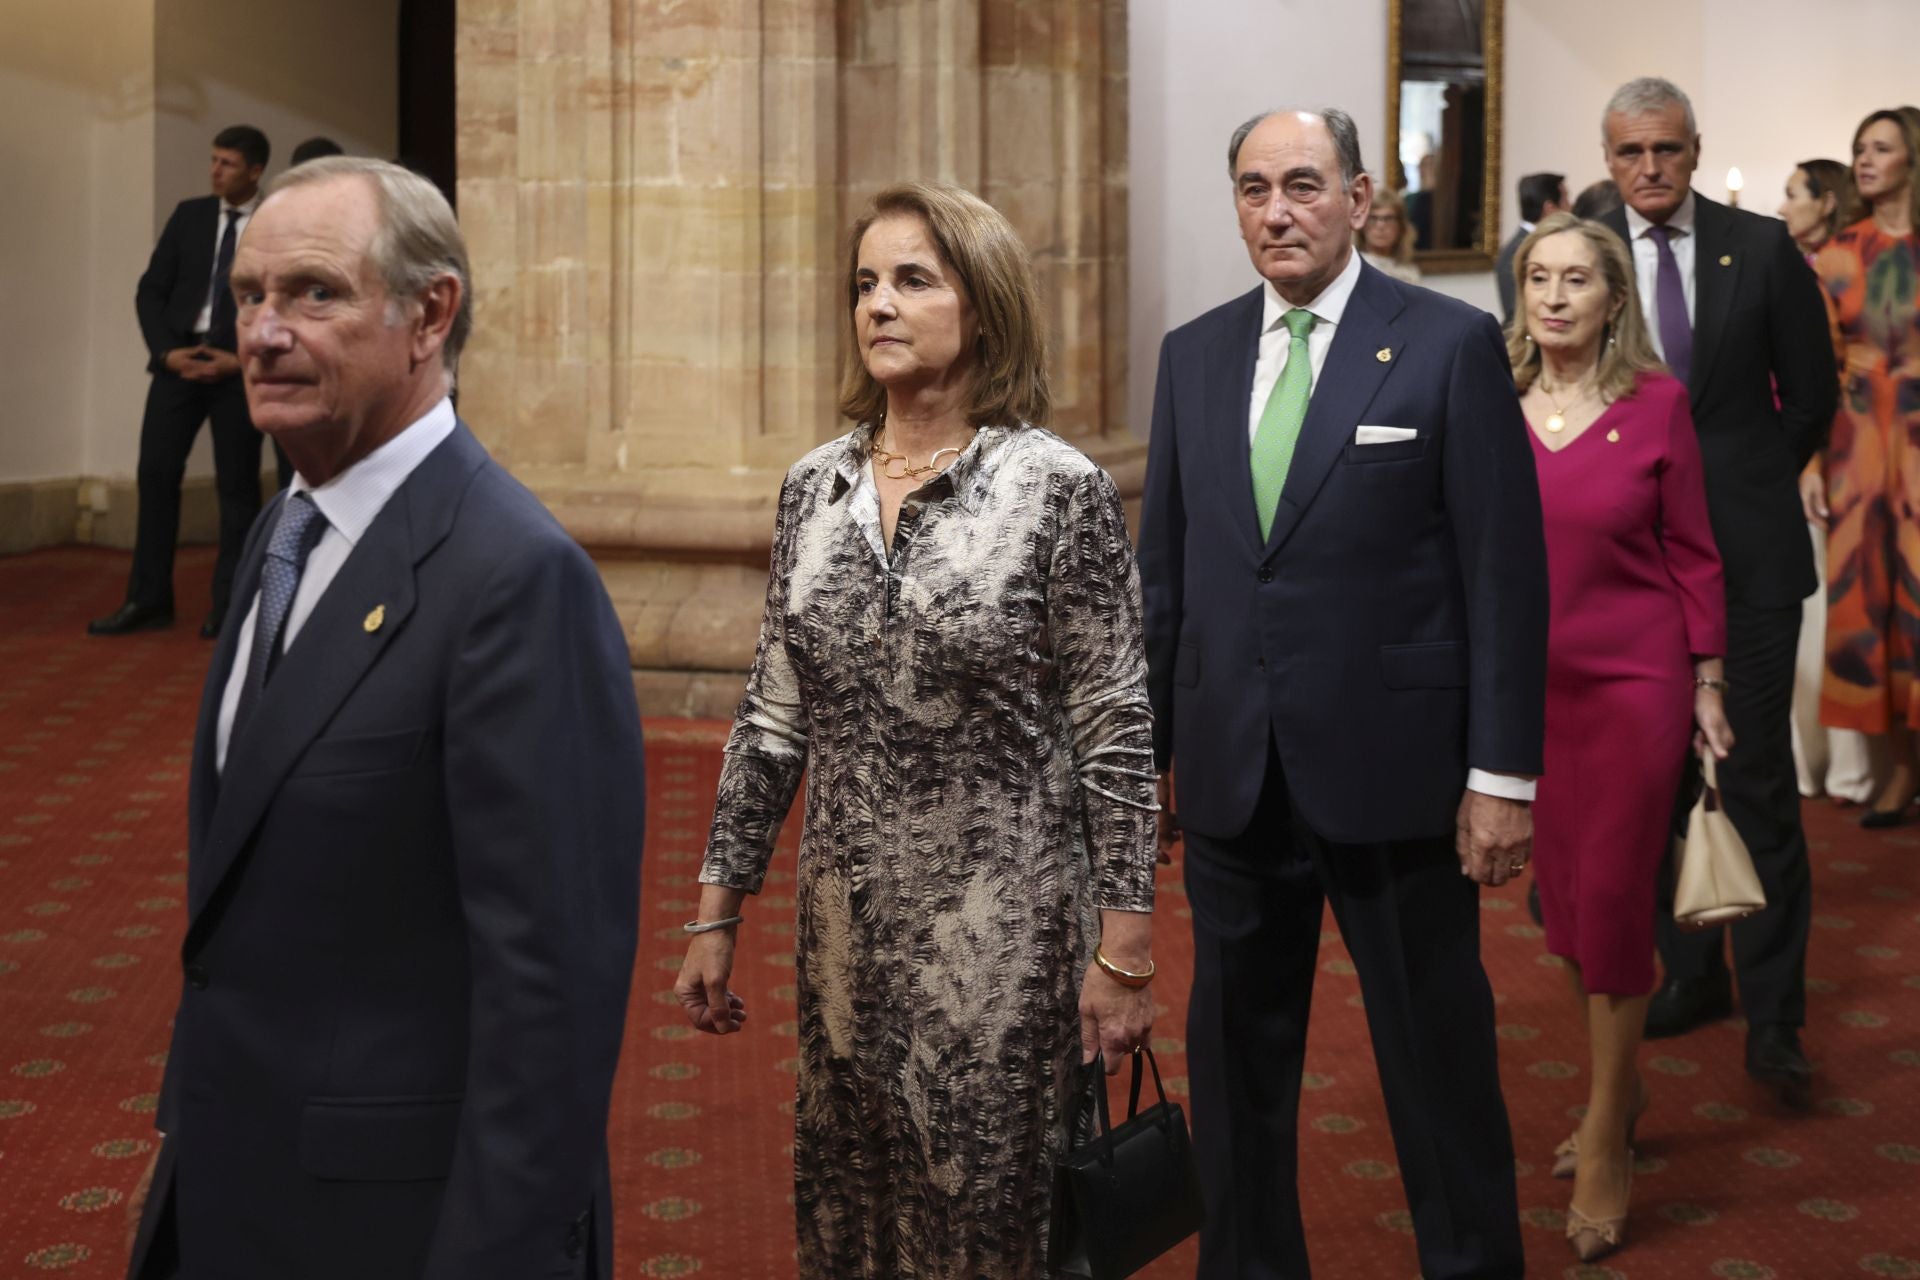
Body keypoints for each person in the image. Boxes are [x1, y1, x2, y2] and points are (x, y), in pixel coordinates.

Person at [123, 158, 646, 1280]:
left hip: (400, 1226)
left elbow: (549, 995)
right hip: (232, 1184)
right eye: (254, 294)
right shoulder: (279, 532)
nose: (263, 331)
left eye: (315, 293)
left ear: (430, 314)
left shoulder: (516, 579)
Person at [676, 180, 1158, 1278]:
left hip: (1007, 932)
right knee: (851, 1199)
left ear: (981, 306)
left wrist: (1123, 952)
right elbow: (771, 714)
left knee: (987, 1217)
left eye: (912, 280)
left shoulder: (1053, 488)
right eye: (864, 283)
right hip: (843, 926)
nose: (879, 305)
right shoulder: (815, 485)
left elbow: (1116, 725)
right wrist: (718, 908)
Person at [1138, 107, 1547, 1280]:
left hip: (1402, 779)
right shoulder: (1195, 353)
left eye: (1305, 184)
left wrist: (1501, 774)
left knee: (1437, 1068)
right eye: (1255, 187)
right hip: (1232, 775)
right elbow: (1169, 578)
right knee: (1236, 1075)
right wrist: (1155, 760)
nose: (1278, 210)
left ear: (1359, 198)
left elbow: (1502, 578)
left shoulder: (1446, 342)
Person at [1596, 78, 1838, 1105]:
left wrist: (1729, 484)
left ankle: (1776, 1020)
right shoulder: (1584, 253)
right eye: (1629, 153)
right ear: (1607, 158)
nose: (1649, 169)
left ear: (1696, 149)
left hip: (1747, 555)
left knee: (1755, 785)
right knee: (1651, 783)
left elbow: (1813, 391)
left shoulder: (1762, 246)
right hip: (1628, 567)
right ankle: (1689, 973)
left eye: (1666, 149)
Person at [1510, 213, 1732, 1263]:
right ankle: (1625, 1080)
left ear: (1613, 300)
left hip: (1635, 682)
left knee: (1609, 897)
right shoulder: (1495, 405)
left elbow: (1693, 550)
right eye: (1538, 277)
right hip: (1528, 695)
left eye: (1576, 281)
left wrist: (1708, 682)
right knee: (1559, 900)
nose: (1555, 296)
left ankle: (1606, 1134)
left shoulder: (1657, 405)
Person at [91, 126, 272, 641]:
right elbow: (151, 291)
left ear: (255, 171)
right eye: (213, 160)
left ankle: (229, 607)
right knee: (155, 475)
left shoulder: (275, 223)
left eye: (227, 164)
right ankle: (147, 600)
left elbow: (283, 303)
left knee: (236, 489)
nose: (215, 171)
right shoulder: (190, 216)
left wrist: (239, 360)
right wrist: (167, 353)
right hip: (179, 366)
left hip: (237, 372)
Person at [1813, 108, 1920, 824]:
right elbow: (1811, 368)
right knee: (1867, 603)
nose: (1864, 159)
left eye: (1881, 147)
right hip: (1855, 447)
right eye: (1858, 149)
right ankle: (1895, 774)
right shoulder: (1838, 252)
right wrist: (1811, 461)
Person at [1782, 159, 1874, 807]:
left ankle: (1844, 766)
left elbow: (1822, 383)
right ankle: (1825, 764)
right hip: (1820, 457)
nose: (1781, 204)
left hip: (1842, 456)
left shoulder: (1830, 271)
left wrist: (1811, 460)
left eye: (1793, 194)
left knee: (1833, 612)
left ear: (1824, 202)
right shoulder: (1803, 267)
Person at [1497, 171, 1568, 323]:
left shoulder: (1531, 243)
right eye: (1566, 200)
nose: (1571, 206)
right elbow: (1515, 313)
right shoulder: (1519, 250)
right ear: (1550, 208)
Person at [1355, 183, 1421, 283]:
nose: (1380, 226)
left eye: (1388, 218)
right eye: (1373, 218)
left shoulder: (1410, 272)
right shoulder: (1353, 268)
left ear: (1401, 226)